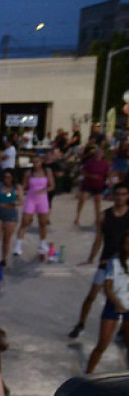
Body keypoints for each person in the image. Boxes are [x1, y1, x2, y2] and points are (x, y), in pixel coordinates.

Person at [70, 183, 129, 339]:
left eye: (124, 194)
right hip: (106, 261)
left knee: (125, 297)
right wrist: (91, 258)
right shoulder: (104, 215)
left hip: (125, 263)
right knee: (92, 295)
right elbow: (98, 239)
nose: (121, 197)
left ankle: (123, 329)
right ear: (113, 195)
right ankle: (81, 323)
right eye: (118, 194)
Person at [85, 231, 129, 373]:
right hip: (113, 305)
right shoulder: (114, 262)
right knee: (102, 344)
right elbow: (107, 287)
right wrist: (117, 304)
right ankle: (88, 375)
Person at [13, 156, 55, 258]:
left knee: (43, 223)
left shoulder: (47, 171)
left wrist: (44, 190)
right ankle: (18, 245)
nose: (36, 164)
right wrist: (19, 191)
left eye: (37, 161)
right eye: (34, 162)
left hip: (42, 199)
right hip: (31, 199)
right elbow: (25, 185)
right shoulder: (29, 173)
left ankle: (42, 243)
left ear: (41, 162)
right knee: (25, 222)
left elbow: (52, 185)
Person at [0, 169, 23, 266]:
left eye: (8, 177)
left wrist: (15, 202)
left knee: (6, 239)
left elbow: (21, 201)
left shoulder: (16, 188)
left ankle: (3, 259)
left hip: (10, 213)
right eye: (5, 177)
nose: (6, 179)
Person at [76, 145, 114, 227]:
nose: (98, 155)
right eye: (97, 154)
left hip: (99, 184)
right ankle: (77, 216)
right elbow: (83, 171)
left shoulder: (105, 163)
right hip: (88, 183)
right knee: (82, 199)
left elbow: (108, 173)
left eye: (99, 154)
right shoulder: (89, 162)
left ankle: (97, 219)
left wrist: (110, 181)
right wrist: (90, 175)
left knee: (97, 202)